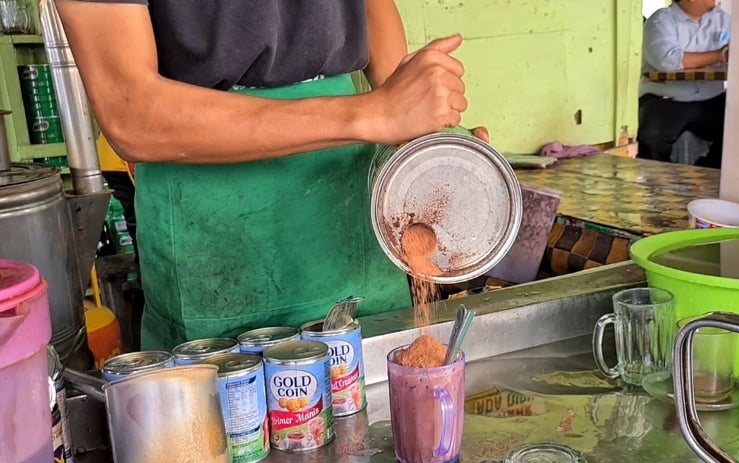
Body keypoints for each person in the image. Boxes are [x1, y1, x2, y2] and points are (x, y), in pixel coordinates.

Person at [56, 0, 486, 351]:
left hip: (345, 198)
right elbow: (131, 112)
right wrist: (375, 113)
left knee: (378, 399)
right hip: (213, 207)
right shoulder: (363, 115)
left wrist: (415, 138)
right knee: (236, 429)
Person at [638, 0, 731, 169]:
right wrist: (720, 55)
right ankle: (662, 187)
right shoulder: (661, 21)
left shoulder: (722, 19)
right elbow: (668, 60)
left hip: (711, 97)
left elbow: (738, 52)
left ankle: (703, 177)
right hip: (667, 99)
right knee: (652, 140)